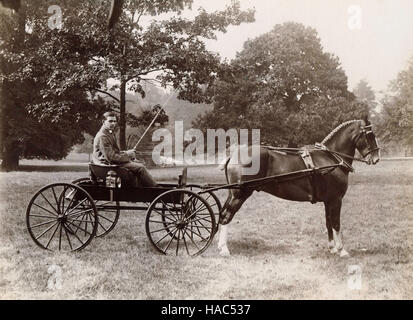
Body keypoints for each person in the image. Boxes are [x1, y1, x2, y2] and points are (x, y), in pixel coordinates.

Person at [92, 111, 158, 187]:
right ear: (103, 121)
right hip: (107, 165)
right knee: (140, 168)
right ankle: (155, 189)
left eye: (114, 121)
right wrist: (128, 156)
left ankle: (138, 188)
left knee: (138, 164)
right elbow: (111, 157)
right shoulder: (103, 136)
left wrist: (127, 153)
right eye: (110, 121)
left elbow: (114, 152)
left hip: (109, 163)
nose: (113, 123)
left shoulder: (108, 133)